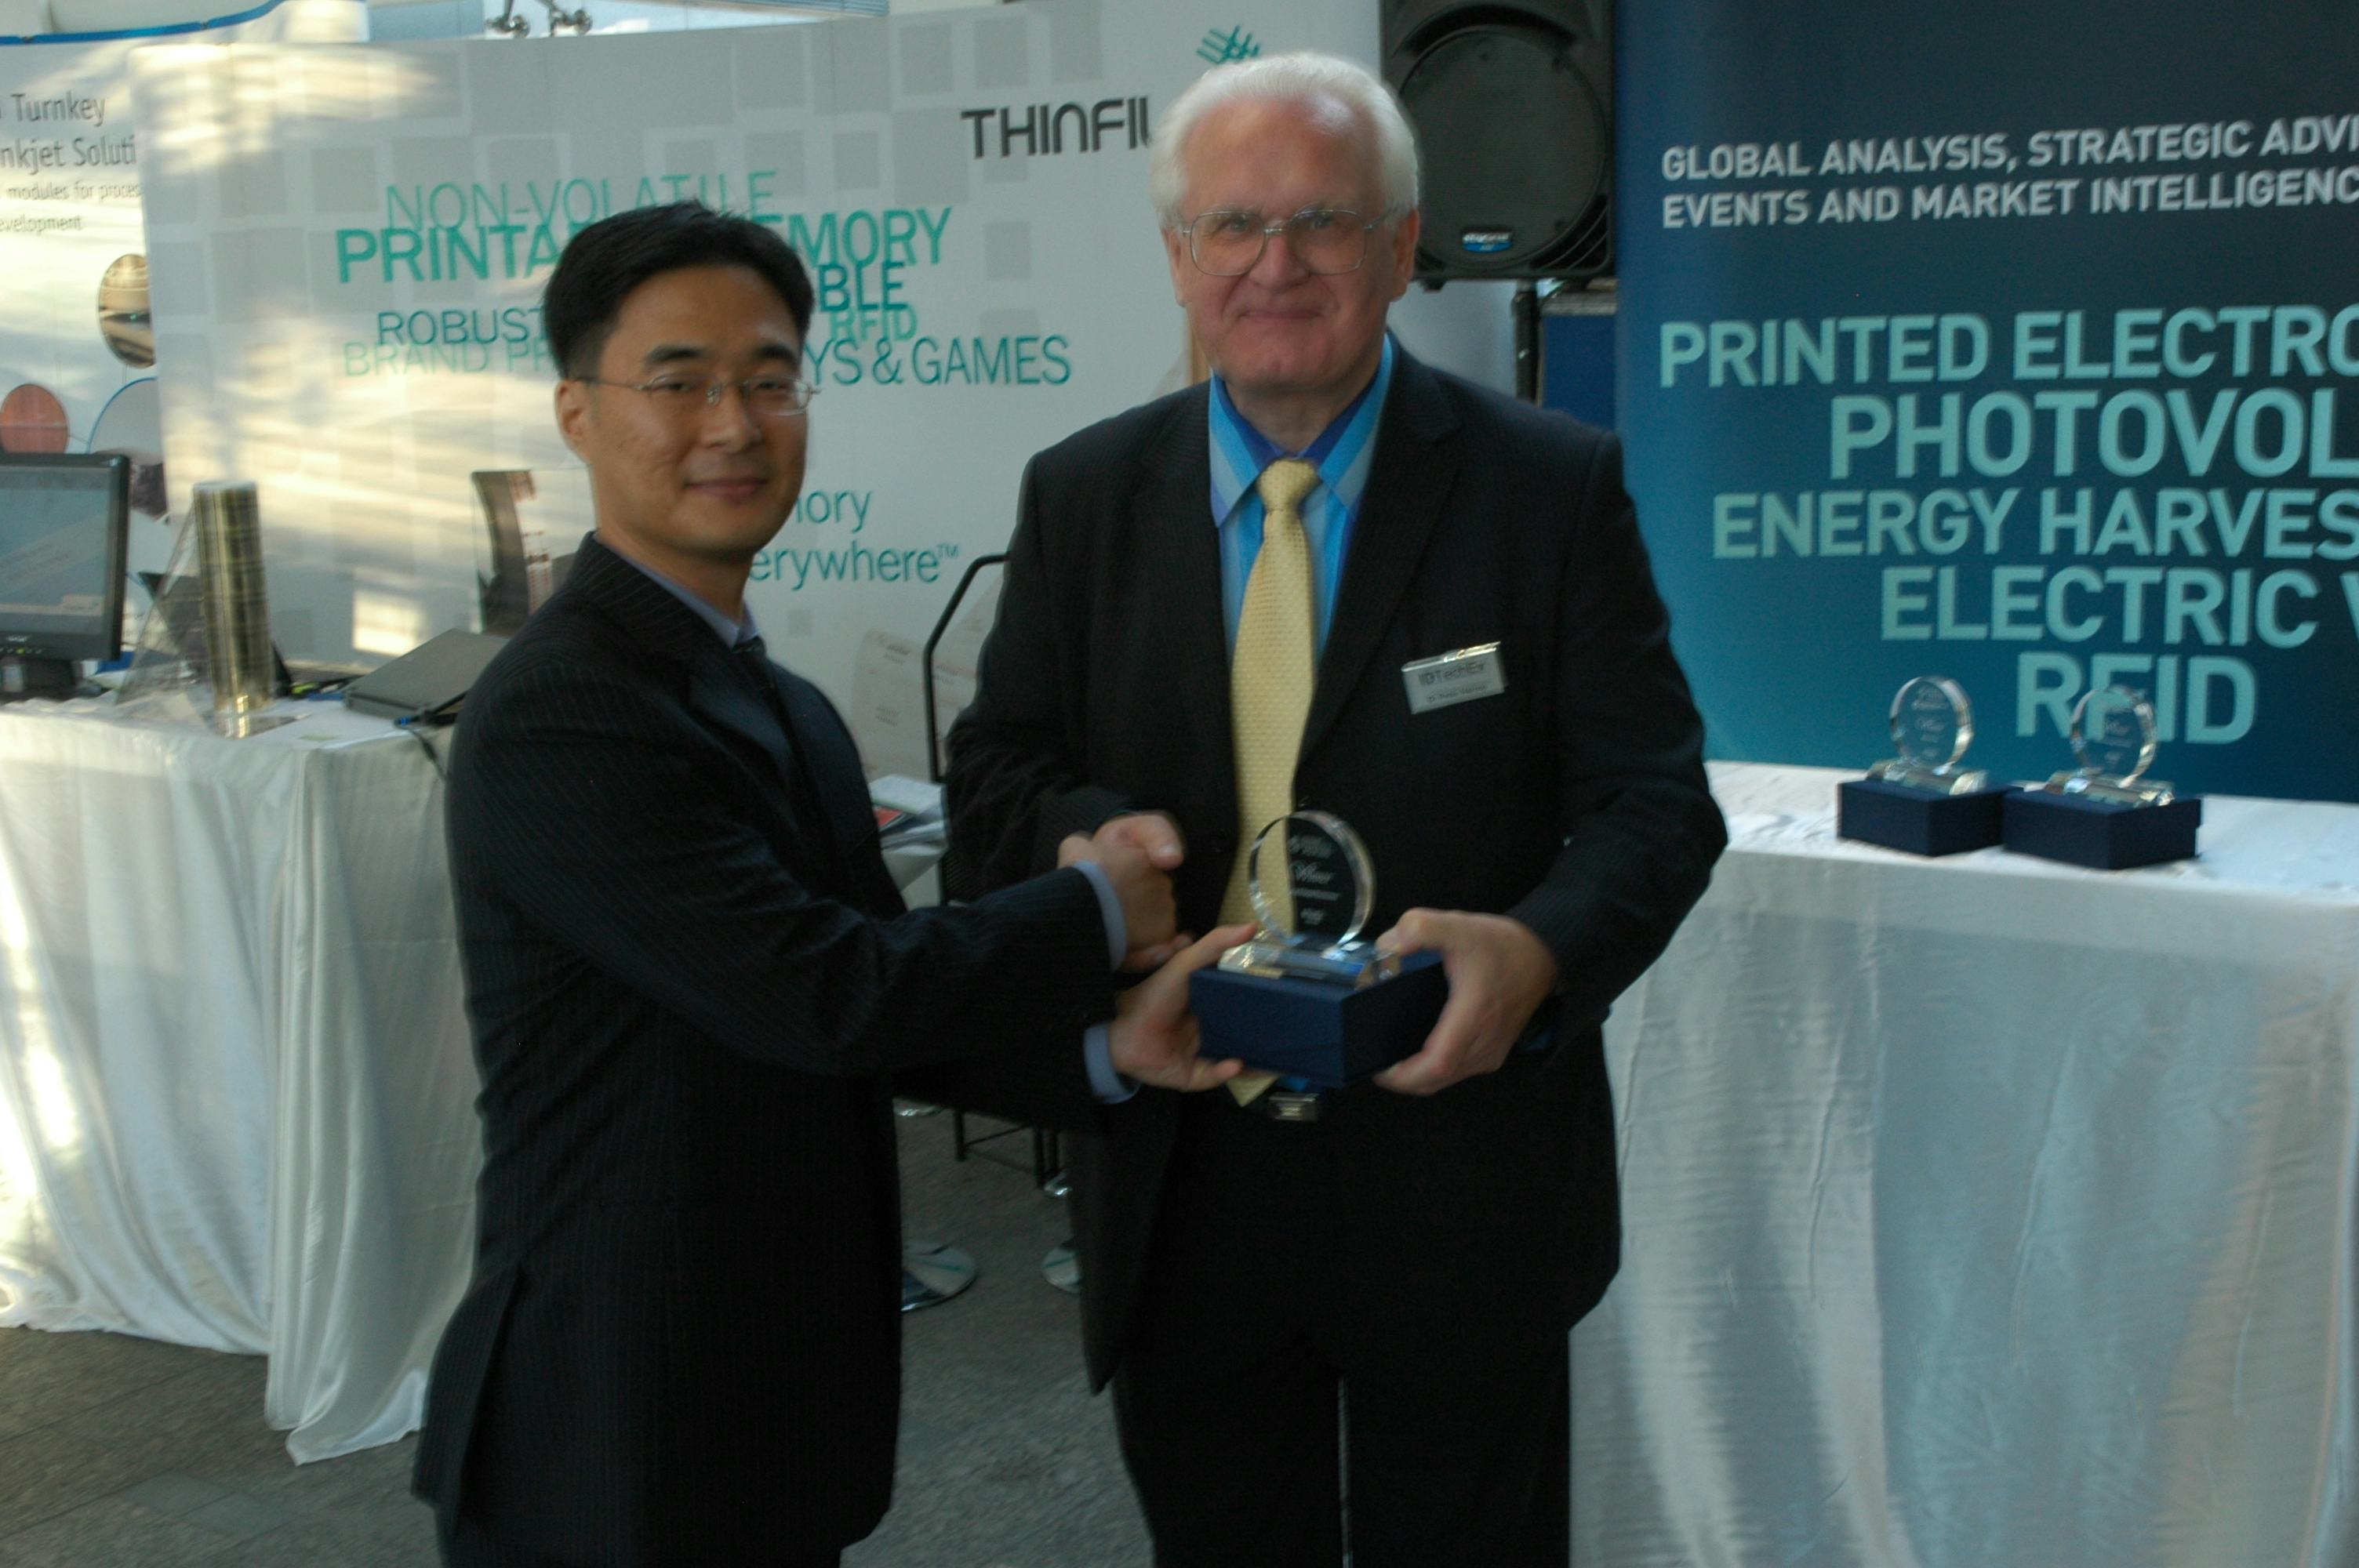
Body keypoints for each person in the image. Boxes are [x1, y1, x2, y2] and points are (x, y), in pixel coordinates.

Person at [943, 53, 1728, 1568]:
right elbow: (994, 772)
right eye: (1233, 224)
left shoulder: (1548, 488)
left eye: (1323, 221)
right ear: (1178, 255)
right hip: (1186, 1168)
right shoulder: (1080, 496)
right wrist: (1091, 845)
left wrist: (1539, 956)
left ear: (1401, 242)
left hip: (1461, 1165)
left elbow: (1654, 805)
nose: (1276, 264)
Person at [409, 201, 1241, 1568]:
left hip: (768, 1395)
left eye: (770, 380)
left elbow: (863, 998)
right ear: (576, 413)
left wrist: (1104, 1050)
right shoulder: (565, 709)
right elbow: (827, 993)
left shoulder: (777, 698)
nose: (733, 426)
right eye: (678, 383)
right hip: (615, 1419)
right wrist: (1096, 906)